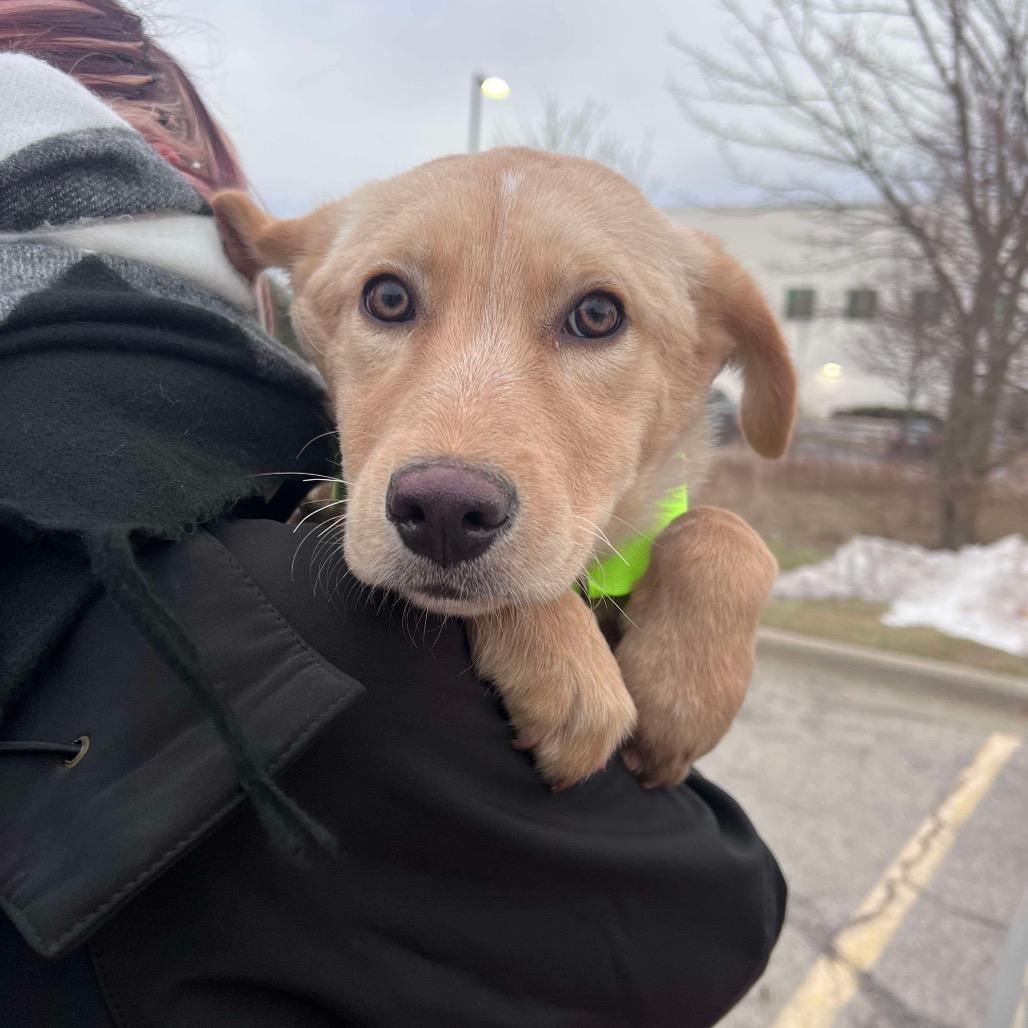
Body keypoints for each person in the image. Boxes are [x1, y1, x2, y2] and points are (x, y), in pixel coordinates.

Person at [0, 4, 786, 1025]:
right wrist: (517, 607)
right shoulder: (240, 543)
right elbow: (705, 927)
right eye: (390, 302)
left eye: (591, 316)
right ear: (281, 286)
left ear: (712, 351)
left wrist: (716, 561)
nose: (453, 462)